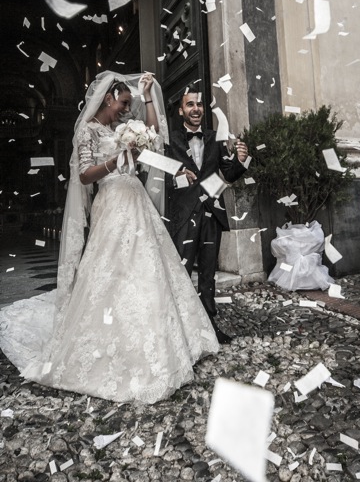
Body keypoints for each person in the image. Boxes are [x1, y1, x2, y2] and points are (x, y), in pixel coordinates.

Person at [0, 71, 219, 403]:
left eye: (129, 105)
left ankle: (166, 339)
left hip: (136, 201)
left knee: (147, 268)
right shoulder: (87, 131)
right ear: (108, 98)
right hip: (112, 202)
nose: (127, 110)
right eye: (124, 103)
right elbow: (85, 175)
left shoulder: (122, 128)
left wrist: (148, 98)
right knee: (112, 270)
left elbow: (152, 139)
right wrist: (116, 161)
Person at [165, 87, 248, 344]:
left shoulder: (215, 139)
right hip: (183, 215)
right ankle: (181, 330)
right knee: (182, 272)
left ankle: (209, 326)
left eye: (199, 104)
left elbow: (227, 174)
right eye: (190, 104)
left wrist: (241, 161)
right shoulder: (170, 140)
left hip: (212, 213)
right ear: (181, 110)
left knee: (208, 274)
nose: (196, 109)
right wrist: (178, 177)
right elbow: (162, 180)